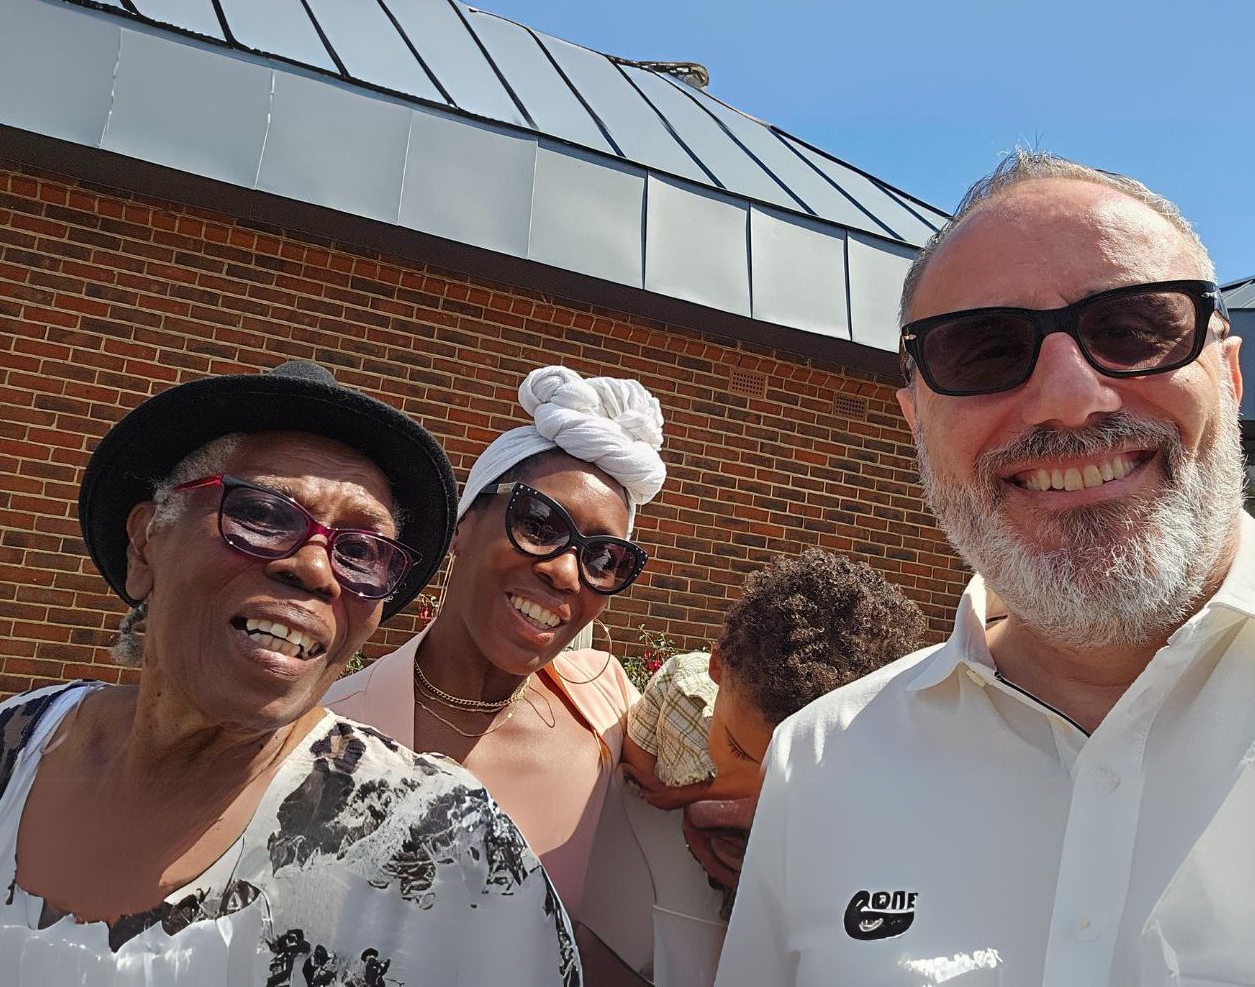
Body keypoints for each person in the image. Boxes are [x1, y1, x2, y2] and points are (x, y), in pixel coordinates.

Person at [718, 151, 1255, 986]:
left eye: (1133, 329)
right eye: (983, 350)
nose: (1071, 396)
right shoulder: (822, 759)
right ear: (917, 421)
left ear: (1229, 376)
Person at [0, 361, 580, 985]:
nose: (315, 569)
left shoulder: (448, 852)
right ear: (146, 544)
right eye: (263, 515)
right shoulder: (16, 741)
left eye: (361, 552)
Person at [326, 364, 665, 926]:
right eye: (538, 522)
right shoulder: (332, 734)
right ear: (464, 522)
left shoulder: (608, 707)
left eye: (603, 557)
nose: (565, 572)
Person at [583, 548, 926, 986]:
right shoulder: (680, 703)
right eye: (740, 752)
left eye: (802, 780)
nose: (756, 803)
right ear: (717, 668)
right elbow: (633, 785)